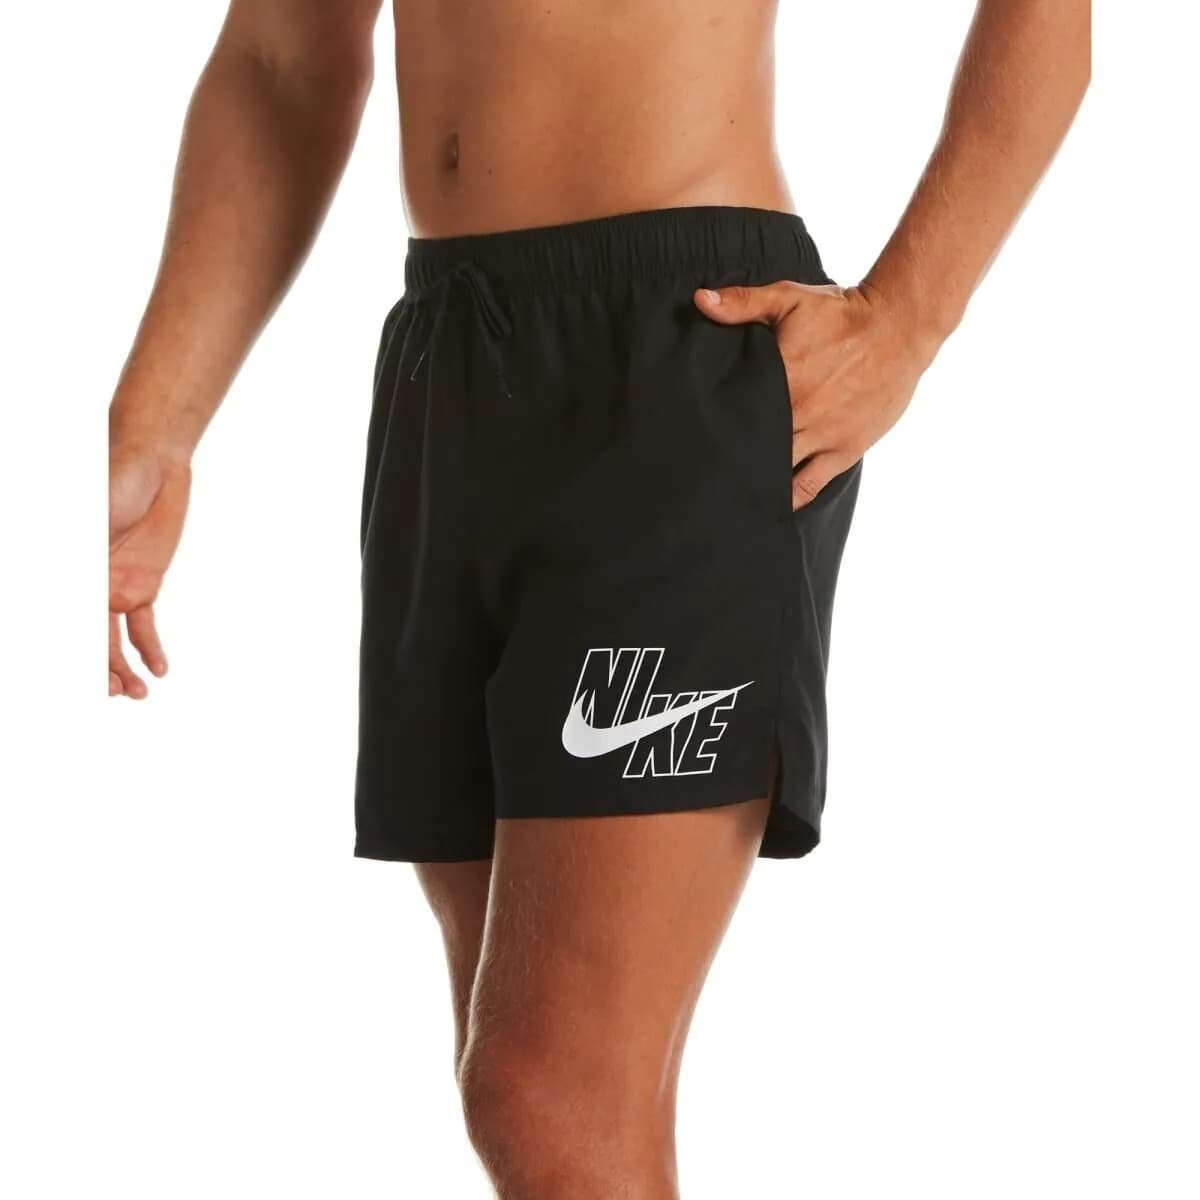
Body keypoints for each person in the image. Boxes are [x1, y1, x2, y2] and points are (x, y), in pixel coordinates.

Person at [107, 1, 1090, 1195]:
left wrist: (906, 321)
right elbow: (283, 56)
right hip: (451, 360)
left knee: (548, 1093)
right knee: (533, 1106)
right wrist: (154, 428)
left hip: (680, 346)